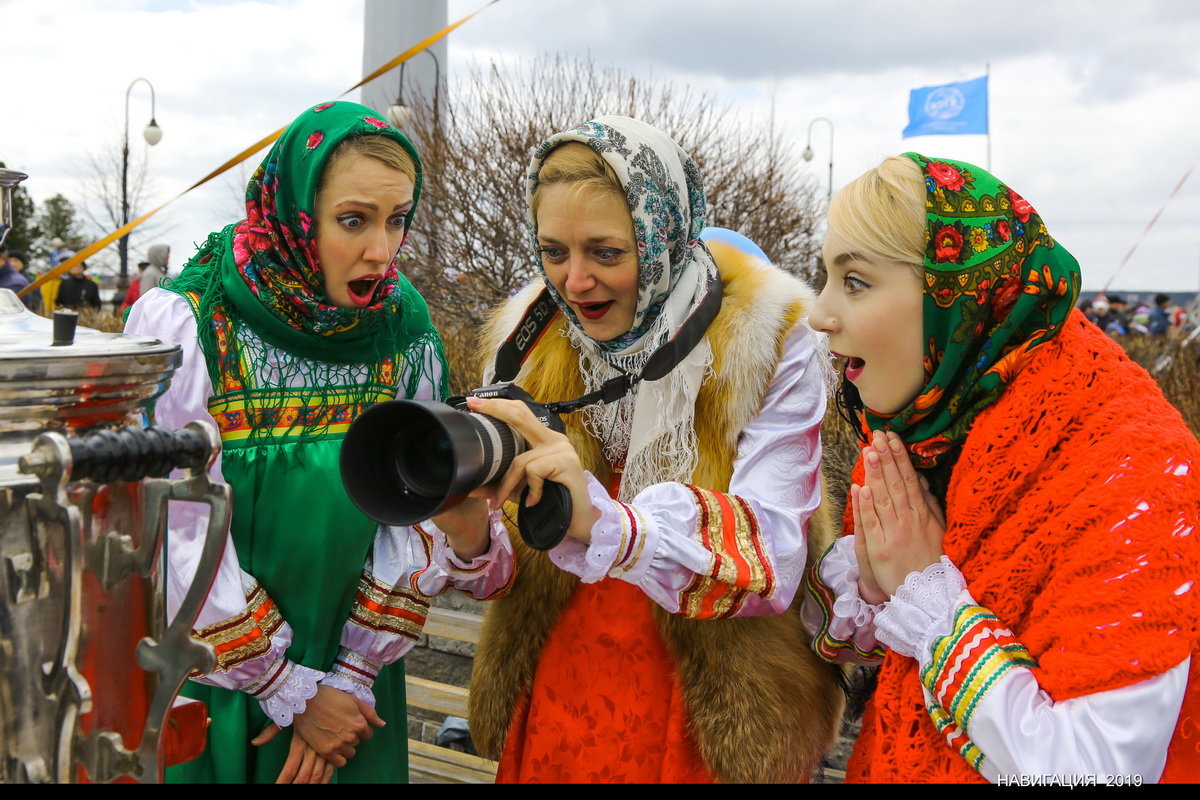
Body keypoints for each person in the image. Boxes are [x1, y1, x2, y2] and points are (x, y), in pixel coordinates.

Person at [420, 116, 844, 783]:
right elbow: (513, 571)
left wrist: (604, 520)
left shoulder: (768, 336)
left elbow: (773, 555)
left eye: (606, 252)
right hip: (563, 680)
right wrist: (473, 535)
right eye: (553, 251)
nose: (575, 280)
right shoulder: (528, 337)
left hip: (713, 698)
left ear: (663, 235)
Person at [803, 153, 1200, 783]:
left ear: (956, 295)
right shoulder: (927, 426)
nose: (818, 313)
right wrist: (880, 590)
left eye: (855, 282)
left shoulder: (1135, 471)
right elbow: (875, 649)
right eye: (824, 277)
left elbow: (1097, 768)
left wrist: (928, 600)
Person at [124, 101, 449, 784]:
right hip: (217, 675)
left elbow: (417, 504)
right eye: (353, 220)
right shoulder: (190, 323)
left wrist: (350, 676)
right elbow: (168, 524)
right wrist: (283, 687)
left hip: (354, 687)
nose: (382, 251)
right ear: (294, 211)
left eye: (398, 220)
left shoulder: (403, 330)